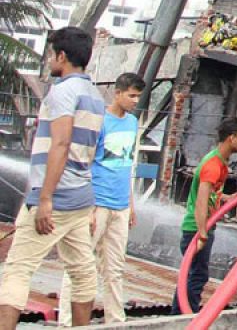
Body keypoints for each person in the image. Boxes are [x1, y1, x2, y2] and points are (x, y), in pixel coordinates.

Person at [0, 28, 103, 330]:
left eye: (50, 54)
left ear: (62, 56)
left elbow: (61, 143)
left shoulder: (63, 92)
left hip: (55, 198)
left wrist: (45, 198)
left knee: (18, 269)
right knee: (82, 271)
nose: (47, 60)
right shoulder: (94, 96)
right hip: (81, 199)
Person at [59, 72, 144, 325]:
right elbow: (85, 163)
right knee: (80, 264)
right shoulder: (100, 122)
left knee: (115, 269)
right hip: (97, 203)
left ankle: (115, 320)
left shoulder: (132, 123)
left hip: (120, 204)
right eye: (131, 95)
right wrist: (91, 207)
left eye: (138, 96)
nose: (135, 101)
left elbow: (128, 163)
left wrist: (130, 204)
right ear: (117, 93)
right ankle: (66, 321)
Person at [174, 117, 237, 314]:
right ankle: (185, 318)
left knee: (191, 275)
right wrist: (202, 233)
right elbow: (201, 201)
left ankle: (179, 316)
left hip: (202, 227)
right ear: (231, 138)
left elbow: (211, 193)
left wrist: (228, 198)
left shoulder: (219, 162)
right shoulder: (213, 165)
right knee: (197, 276)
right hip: (196, 228)